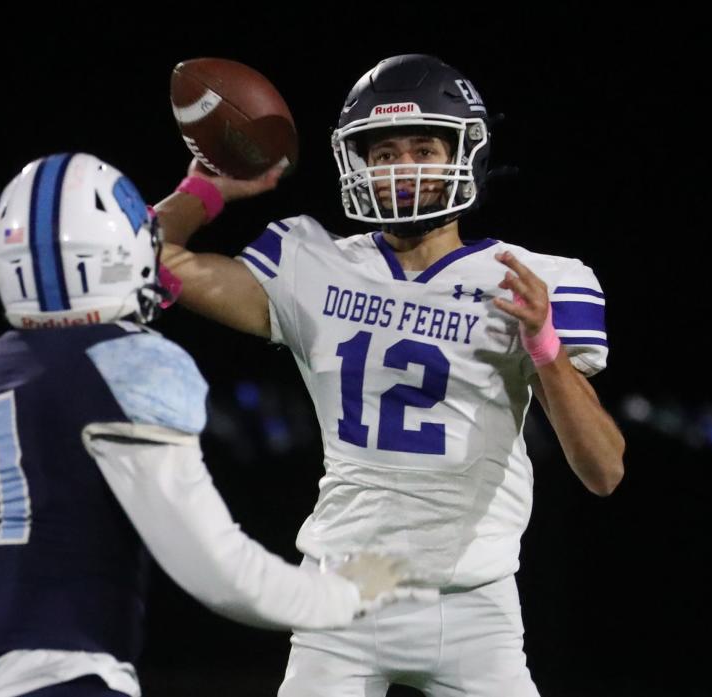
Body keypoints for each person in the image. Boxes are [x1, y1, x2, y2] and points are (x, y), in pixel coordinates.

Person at [154, 54, 626, 697]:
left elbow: (604, 471)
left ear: (464, 151)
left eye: (423, 146)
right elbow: (149, 262)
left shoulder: (531, 281)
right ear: (358, 163)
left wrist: (545, 346)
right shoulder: (311, 262)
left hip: (475, 606)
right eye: (382, 152)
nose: (401, 166)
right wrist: (207, 189)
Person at [0, 153, 406, 697]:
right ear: (119, 254)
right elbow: (220, 572)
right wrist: (346, 594)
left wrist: (202, 190)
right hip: (73, 679)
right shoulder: (127, 365)